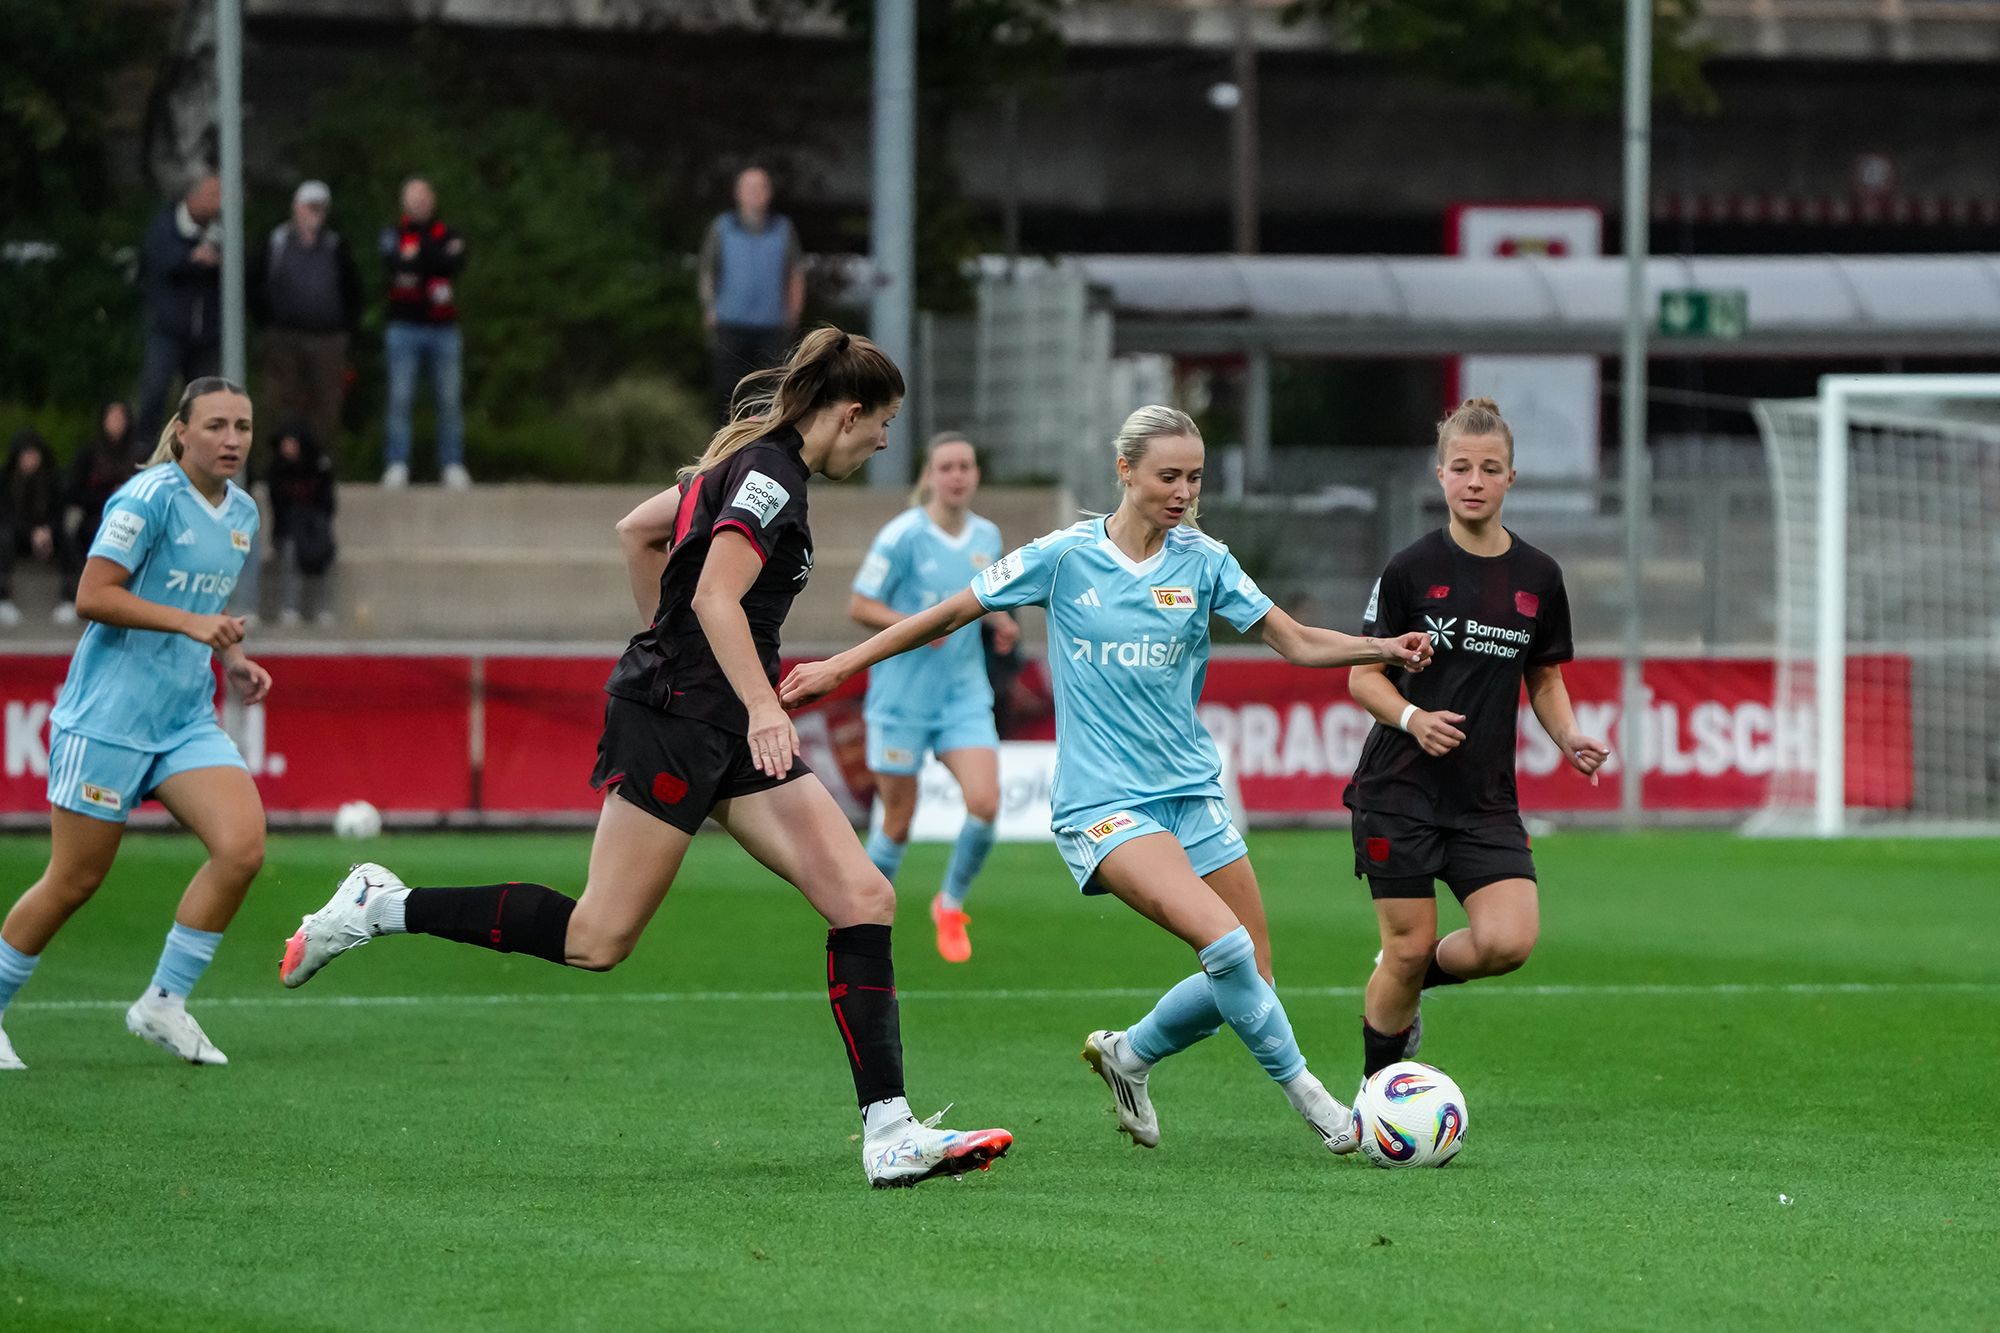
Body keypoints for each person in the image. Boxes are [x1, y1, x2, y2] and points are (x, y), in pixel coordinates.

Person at [279, 328, 1013, 1189]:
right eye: (881, 423)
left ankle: (889, 1133)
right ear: (848, 413)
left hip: (713, 712)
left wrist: (677, 654)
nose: (886, 442)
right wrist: (739, 696)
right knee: (597, 938)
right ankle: (381, 903)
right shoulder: (771, 475)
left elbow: (637, 533)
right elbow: (710, 592)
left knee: (863, 896)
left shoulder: (748, 464)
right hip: (682, 720)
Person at [782, 406, 1435, 1156]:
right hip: (1104, 802)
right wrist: (839, 666)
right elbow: (946, 614)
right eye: (1167, 475)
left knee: (1249, 970)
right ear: (1124, 472)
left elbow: (1293, 639)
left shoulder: (1205, 560)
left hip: (1192, 794)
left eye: (1194, 476)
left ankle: (1130, 1055)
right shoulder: (1063, 557)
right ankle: (1318, 1102)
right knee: (1224, 946)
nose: (1183, 490)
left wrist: (1378, 644)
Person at [0, 378, 272, 1073]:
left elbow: (207, 602)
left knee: (241, 847)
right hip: (109, 720)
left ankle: (163, 1001)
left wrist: (233, 656)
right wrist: (192, 624)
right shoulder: (146, 497)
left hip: (183, 717)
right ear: (182, 431)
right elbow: (94, 594)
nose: (232, 438)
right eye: (216, 425)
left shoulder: (243, 513)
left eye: (242, 425)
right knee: (74, 879)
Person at [1342, 397, 1610, 1081]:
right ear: (1440, 475)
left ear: (1510, 479)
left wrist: (1569, 734)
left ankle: (1405, 979)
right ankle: (1376, 1096)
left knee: (1508, 941)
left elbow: (1544, 679)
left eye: (1489, 469)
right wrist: (1412, 718)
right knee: (1408, 943)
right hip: (1398, 788)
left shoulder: (1539, 578)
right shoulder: (1409, 569)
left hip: (1484, 797)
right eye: (1460, 467)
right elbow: (1364, 678)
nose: (1474, 480)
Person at [849, 432, 1017, 963]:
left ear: (976, 475)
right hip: (902, 699)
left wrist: (1003, 620)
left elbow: (985, 596)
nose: (957, 475)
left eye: (966, 466)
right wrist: (917, 626)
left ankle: (950, 903)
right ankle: (857, 919)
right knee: (898, 821)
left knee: (986, 804)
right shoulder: (902, 536)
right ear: (930, 476)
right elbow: (860, 604)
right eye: (946, 467)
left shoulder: (987, 536)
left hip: (963, 695)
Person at [250, 180, 362, 461]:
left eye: (321, 208)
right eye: (311, 206)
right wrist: (266, 320)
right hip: (284, 335)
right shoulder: (276, 242)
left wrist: (347, 327)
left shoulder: (335, 244)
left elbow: (352, 288)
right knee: (283, 399)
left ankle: (319, 460)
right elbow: (255, 282)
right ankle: (282, 462)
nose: (316, 213)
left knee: (327, 401)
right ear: (296, 208)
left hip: (327, 337)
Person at [379, 177, 468, 490]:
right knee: (401, 399)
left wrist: (419, 259)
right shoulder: (394, 232)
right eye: (412, 198)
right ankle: (397, 463)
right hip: (404, 326)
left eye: (423, 197)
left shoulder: (448, 231)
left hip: (444, 329)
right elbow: (393, 263)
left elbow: (451, 262)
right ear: (404, 202)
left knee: (449, 400)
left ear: (432, 199)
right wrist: (434, 259)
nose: (418, 203)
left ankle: (452, 464)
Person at [699, 166, 805, 423]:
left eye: (760, 188)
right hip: (730, 324)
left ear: (769, 193)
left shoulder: (783, 228)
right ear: (738, 193)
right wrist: (710, 307)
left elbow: (795, 274)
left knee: (770, 392)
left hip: (771, 327)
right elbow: (708, 270)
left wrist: (793, 313)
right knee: (727, 391)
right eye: (749, 188)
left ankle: (763, 451)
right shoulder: (722, 228)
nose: (755, 194)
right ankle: (724, 451)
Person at [135, 174, 223, 451]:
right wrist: (193, 259)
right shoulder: (166, 225)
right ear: (192, 198)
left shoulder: (222, 229)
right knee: (155, 390)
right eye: (212, 196)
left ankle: (205, 457)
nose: (218, 203)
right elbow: (162, 262)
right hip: (168, 330)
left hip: (206, 334)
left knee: (207, 401)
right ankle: (143, 451)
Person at [56, 403, 141, 625]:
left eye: (121, 418)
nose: (116, 423)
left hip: (131, 520)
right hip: (95, 517)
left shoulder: (138, 453)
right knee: (82, 536)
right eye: (112, 418)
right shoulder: (89, 453)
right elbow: (73, 491)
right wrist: (107, 498)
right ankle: (74, 594)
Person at [265, 422, 338, 627]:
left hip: (316, 525)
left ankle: (324, 609)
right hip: (289, 528)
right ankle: (290, 607)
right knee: (290, 552)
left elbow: (328, 503)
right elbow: (277, 508)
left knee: (326, 552)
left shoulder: (319, 467)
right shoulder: (277, 471)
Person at [0, 431, 63, 628]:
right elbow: (6, 516)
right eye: (26, 455)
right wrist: (31, 532)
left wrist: (48, 531)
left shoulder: (51, 480)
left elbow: (59, 513)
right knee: (4, 538)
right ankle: (3, 597)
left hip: (45, 534)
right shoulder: (6, 480)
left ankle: (71, 597)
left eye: (34, 455)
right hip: (17, 534)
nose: (30, 460)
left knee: (69, 539)